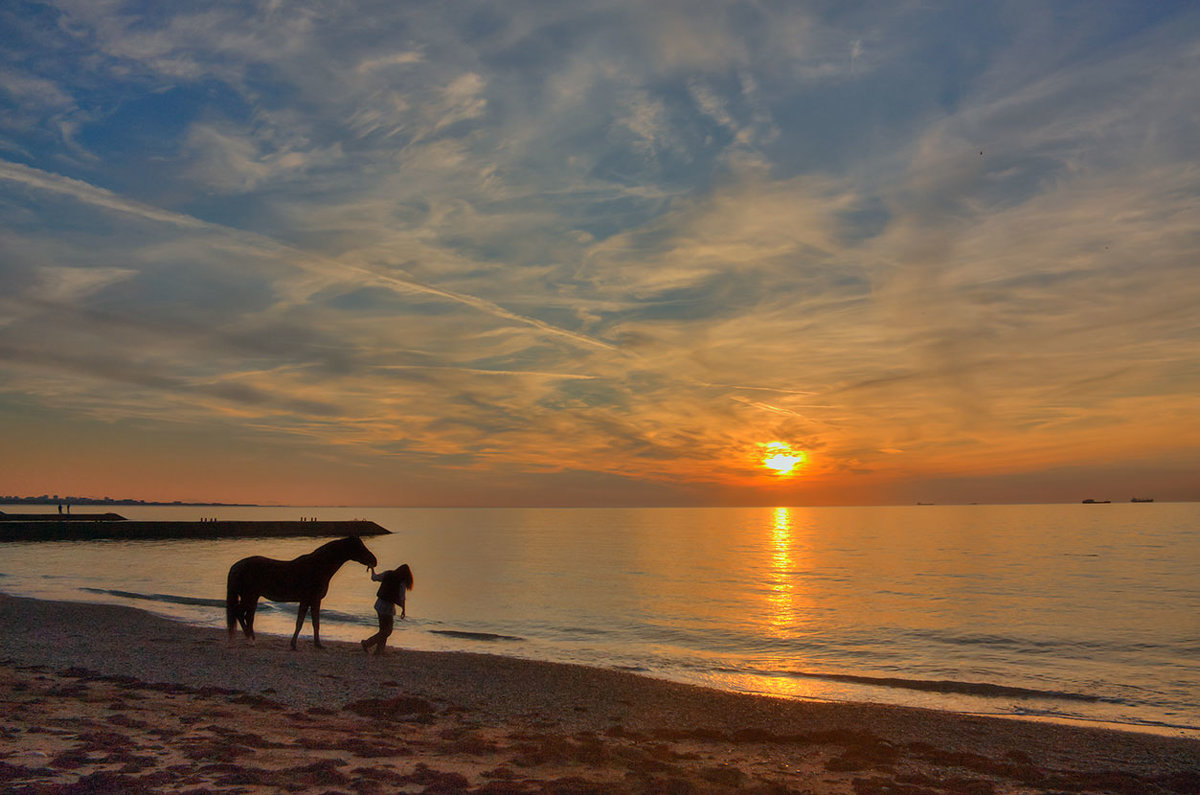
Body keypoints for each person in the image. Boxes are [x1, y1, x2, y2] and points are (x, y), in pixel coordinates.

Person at [361, 563, 413, 656]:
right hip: (388, 607)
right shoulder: (402, 581)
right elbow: (402, 597)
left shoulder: (387, 574)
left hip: (379, 604)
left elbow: (374, 578)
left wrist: (372, 569)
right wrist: (403, 609)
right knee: (388, 631)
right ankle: (367, 643)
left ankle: (379, 651)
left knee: (383, 629)